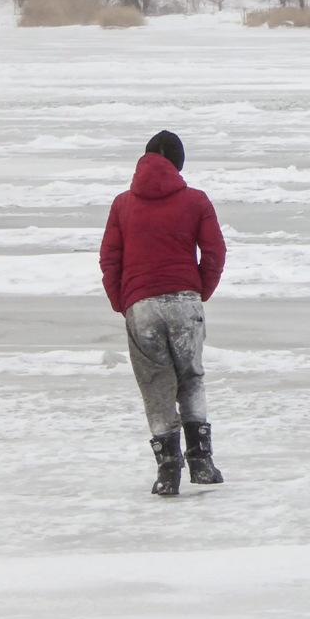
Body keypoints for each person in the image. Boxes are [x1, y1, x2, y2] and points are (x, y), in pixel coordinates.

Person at [100, 130, 227, 496]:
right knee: (192, 378)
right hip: (185, 301)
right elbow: (215, 252)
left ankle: (168, 471)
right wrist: (199, 291)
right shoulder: (196, 201)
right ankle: (201, 461)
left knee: (156, 386)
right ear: (179, 163)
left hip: (141, 306)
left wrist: (123, 302)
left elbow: (110, 258)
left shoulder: (123, 204)